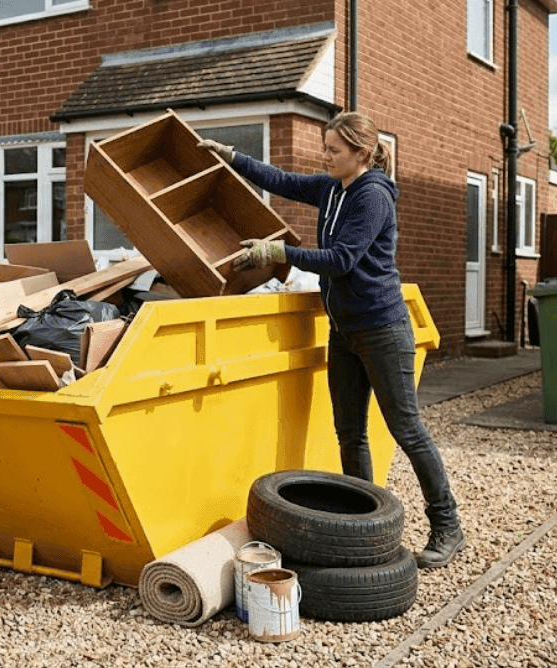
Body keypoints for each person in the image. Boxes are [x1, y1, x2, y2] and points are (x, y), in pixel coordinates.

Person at [198, 112, 465, 568]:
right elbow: (281, 180)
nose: (325, 157)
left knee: (407, 430)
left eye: (333, 151)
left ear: (360, 153)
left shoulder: (373, 196)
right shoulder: (330, 188)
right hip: (343, 330)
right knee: (349, 434)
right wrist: (233, 157)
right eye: (324, 148)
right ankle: (368, 526)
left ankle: (448, 526)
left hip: (382, 328)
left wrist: (278, 251)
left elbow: (341, 259)